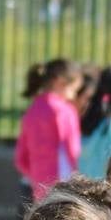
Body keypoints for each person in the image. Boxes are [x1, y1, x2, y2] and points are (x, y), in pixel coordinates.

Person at [14, 59, 83, 202]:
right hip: (64, 182)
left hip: (39, 185)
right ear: (59, 82)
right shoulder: (64, 111)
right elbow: (73, 150)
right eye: (73, 89)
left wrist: (35, 175)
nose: (74, 95)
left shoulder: (32, 110)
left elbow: (21, 158)